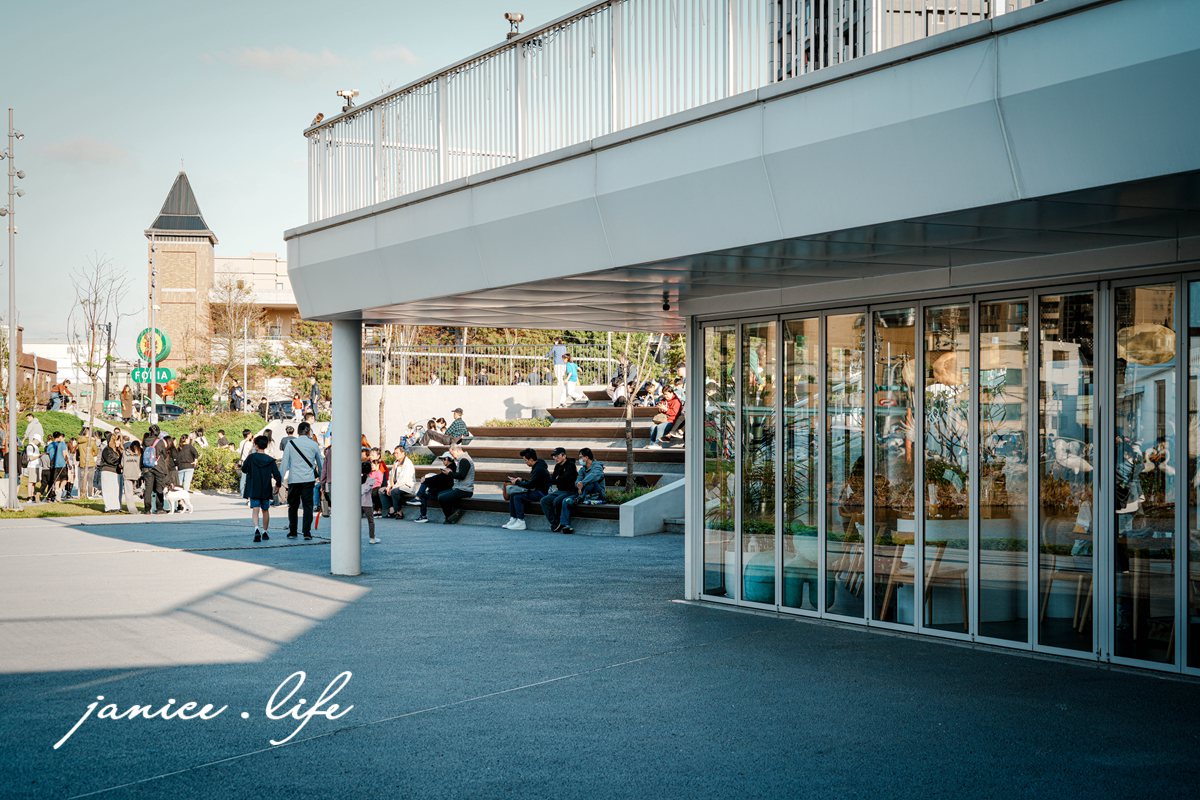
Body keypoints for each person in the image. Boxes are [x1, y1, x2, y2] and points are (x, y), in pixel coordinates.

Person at [281, 421, 323, 539]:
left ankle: (293, 531)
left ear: (298, 431)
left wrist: (279, 481)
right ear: (308, 431)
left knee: (293, 506)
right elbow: (320, 463)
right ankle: (307, 533)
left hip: (294, 479)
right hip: (308, 480)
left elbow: (284, 463)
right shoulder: (313, 445)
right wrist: (322, 478)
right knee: (308, 506)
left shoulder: (290, 444)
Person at [556, 447, 606, 535]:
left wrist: (582, 483)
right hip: (582, 493)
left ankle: (580, 498)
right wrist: (578, 485)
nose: (580, 459)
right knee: (566, 501)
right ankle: (566, 525)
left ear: (586, 457)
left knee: (591, 483)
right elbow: (577, 480)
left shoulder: (597, 466)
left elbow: (595, 476)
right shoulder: (582, 469)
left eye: (581, 457)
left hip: (596, 494)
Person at [242, 434, 282, 542]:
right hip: (266, 487)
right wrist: (278, 485)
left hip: (254, 487)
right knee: (265, 510)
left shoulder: (251, 458)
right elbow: (277, 475)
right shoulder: (270, 460)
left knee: (255, 509)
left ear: (255, 445)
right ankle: (265, 531)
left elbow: (244, 469)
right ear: (266, 445)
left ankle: (256, 529)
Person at [502, 448, 550, 531]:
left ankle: (520, 521)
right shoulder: (537, 466)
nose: (525, 462)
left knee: (517, 496)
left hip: (541, 493)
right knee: (513, 494)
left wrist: (517, 483)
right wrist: (521, 480)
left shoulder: (538, 469)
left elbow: (531, 485)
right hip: (537, 490)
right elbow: (534, 482)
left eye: (525, 460)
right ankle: (513, 519)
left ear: (531, 459)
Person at [540, 447, 578, 533]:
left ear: (564, 456)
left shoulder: (571, 465)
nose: (555, 458)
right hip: (559, 491)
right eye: (554, 456)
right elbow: (553, 479)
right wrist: (558, 479)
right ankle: (555, 523)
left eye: (557, 456)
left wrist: (558, 479)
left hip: (570, 491)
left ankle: (561, 522)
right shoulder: (557, 466)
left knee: (557, 501)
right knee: (544, 500)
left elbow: (565, 479)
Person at [436, 442, 474, 524]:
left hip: (465, 490)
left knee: (442, 497)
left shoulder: (464, 460)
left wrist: (449, 473)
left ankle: (450, 516)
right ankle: (451, 514)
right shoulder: (462, 459)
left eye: (451, 453)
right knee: (440, 494)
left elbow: (461, 476)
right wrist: (450, 472)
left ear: (456, 451)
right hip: (460, 488)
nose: (451, 455)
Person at [413, 452, 456, 523]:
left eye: (444, 459)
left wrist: (426, 480)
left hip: (445, 491)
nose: (443, 461)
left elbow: (438, 479)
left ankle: (418, 499)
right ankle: (418, 499)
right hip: (443, 489)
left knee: (424, 489)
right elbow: (439, 479)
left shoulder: (450, 468)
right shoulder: (450, 467)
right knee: (424, 491)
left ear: (448, 459)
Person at [381, 447, 416, 519]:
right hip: (397, 485)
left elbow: (403, 480)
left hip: (406, 486)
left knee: (394, 492)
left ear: (403, 453)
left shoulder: (407, 464)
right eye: (394, 453)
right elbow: (391, 476)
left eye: (397, 453)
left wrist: (392, 488)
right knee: (381, 491)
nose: (395, 455)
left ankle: (399, 512)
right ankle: (391, 510)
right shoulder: (396, 462)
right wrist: (388, 486)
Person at [140, 424, 168, 514]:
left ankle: (147, 509)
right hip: (158, 467)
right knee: (159, 488)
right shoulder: (160, 442)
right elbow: (164, 454)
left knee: (148, 488)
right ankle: (159, 508)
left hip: (147, 467)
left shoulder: (145, 441)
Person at [98, 432, 123, 512]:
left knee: (115, 490)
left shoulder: (119, 451)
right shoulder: (107, 449)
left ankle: (116, 506)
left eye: (119, 441)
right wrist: (119, 463)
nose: (119, 442)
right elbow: (110, 460)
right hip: (108, 471)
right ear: (113, 441)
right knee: (108, 490)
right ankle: (109, 507)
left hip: (116, 472)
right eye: (117, 440)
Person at [360, 460, 381, 544]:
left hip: (357, 503)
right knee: (371, 521)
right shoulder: (372, 480)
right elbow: (366, 489)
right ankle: (372, 538)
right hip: (367, 503)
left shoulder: (357, 479)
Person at [45, 432, 68, 502]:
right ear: (59, 437)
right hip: (62, 464)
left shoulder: (50, 445)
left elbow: (48, 454)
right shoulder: (62, 444)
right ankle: (59, 492)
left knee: (56, 480)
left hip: (54, 464)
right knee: (65, 479)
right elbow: (65, 454)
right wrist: (68, 462)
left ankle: (56, 492)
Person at [122, 439, 143, 514]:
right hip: (134, 475)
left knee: (129, 493)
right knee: (131, 491)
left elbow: (121, 464)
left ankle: (132, 509)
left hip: (128, 474)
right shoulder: (138, 454)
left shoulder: (124, 453)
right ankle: (133, 509)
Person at [77, 428, 98, 500]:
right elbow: (96, 452)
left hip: (82, 462)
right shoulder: (92, 441)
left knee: (82, 479)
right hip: (91, 462)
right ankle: (89, 494)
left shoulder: (79, 441)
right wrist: (91, 454)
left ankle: (82, 493)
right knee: (90, 479)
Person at [236, 429, 255, 498]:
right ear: (248, 435)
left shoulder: (241, 442)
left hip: (242, 461)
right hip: (248, 462)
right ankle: (247, 493)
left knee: (243, 478)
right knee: (249, 478)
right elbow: (252, 452)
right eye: (250, 434)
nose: (251, 435)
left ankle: (242, 493)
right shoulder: (250, 444)